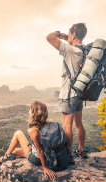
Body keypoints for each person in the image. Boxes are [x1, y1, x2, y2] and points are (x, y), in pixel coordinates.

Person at [46, 23, 88, 163]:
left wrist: (60, 34)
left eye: (69, 34)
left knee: (67, 125)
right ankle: (81, 150)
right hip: (79, 93)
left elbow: (50, 37)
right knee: (78, 124)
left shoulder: (70, 50)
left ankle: (68, 156)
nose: (66, 36)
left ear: (74, 34)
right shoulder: (84, 51)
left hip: (69, 94)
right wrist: (68, 36)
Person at [0, 101, 55, 181]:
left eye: (31, 110)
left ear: (34, 113)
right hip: (47, 155)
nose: (29, 111)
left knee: (18, 133)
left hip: (36, 158)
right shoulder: (50, 124)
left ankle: (4, 157)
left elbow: (40, 150)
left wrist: (44, 167)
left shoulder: (33, 130)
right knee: (14, 150)